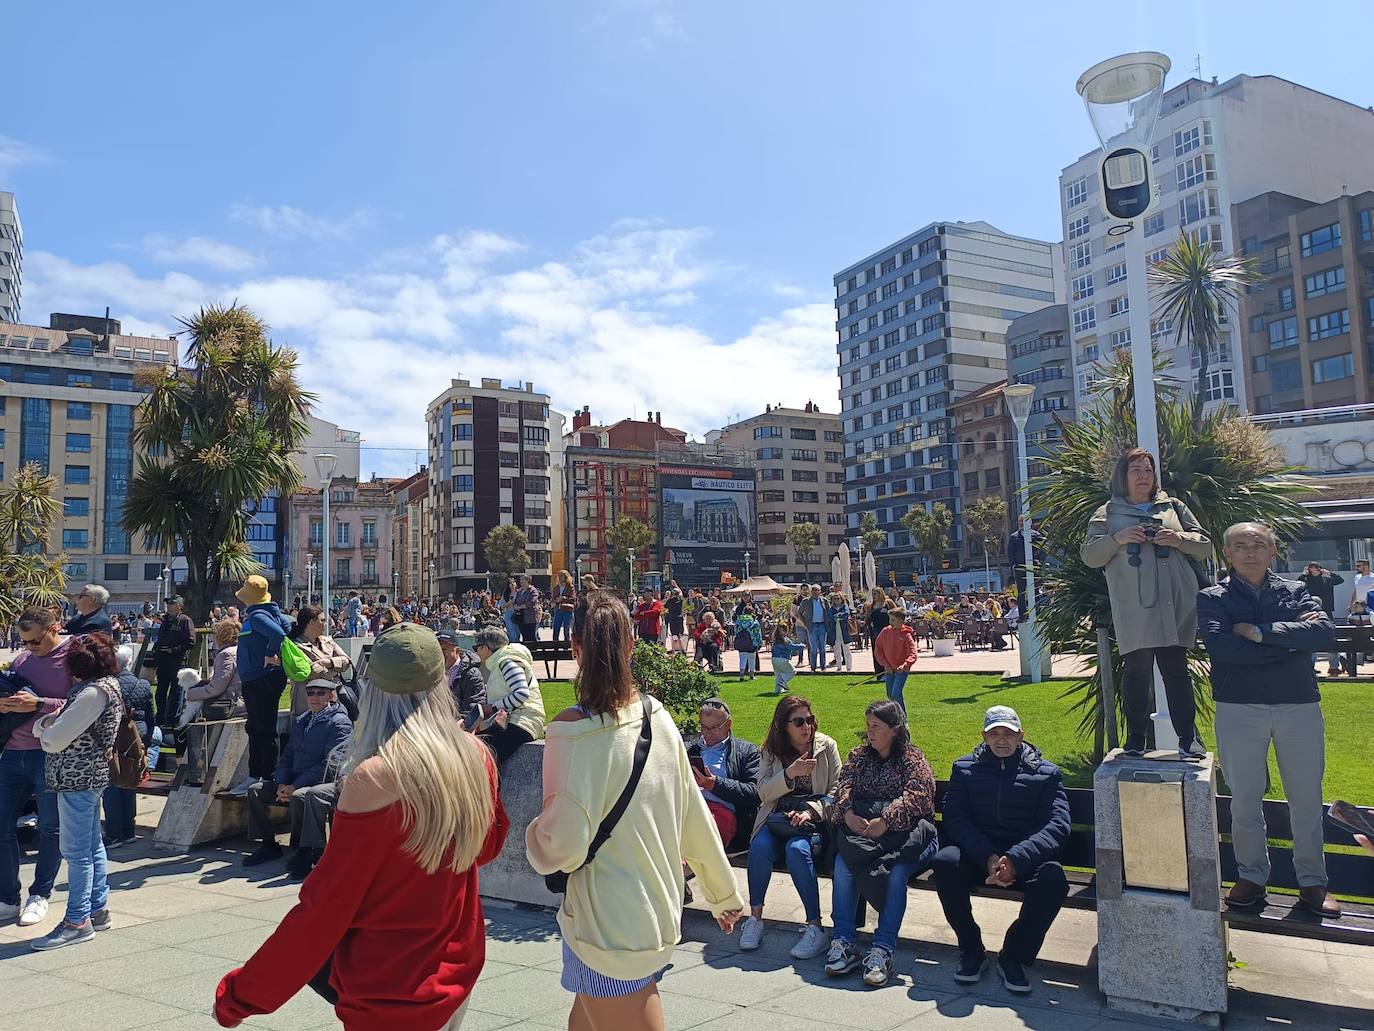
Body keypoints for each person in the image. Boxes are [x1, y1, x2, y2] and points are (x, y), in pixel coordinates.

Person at [215, 622, 508, 1029]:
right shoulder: (474, 754)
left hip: (389, 988)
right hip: (456, 965)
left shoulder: (372, 779)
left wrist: (240, 996)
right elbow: (487, 847)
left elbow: (326, 910)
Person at [526, 591, 743, 1031]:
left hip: (606, 924)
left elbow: (563, 846)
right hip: (656, 907)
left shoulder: (570, 732)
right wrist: (723, 893)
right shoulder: (657, 716)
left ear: (576, 648)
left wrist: (534, 837)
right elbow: (692, 814)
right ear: (631, 643)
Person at [1197, 522, 1340, 918]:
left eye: (1258, 544)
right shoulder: (1213, 598)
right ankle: (1252, 876)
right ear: (1227, 554)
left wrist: (1261, 633)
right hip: (1239, 708)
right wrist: (1289, 644)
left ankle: (1312, 881)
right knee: (1244, 799)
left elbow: (1323, 633)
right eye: (1240, 545)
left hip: (1298, 706)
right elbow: (1223, 649)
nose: (1250, 552)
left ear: (1272, 551)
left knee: (1306, 798)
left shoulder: (1295, 591)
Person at [1080, 448, 1211, 757]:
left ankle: (1187, 739)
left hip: (1174, 603)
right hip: (1134, 605)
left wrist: (1178, 540)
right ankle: (1136, 739)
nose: (1143, 476)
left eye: (1148, 471)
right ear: (1122, 477)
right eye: (1135, 470)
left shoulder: (1174, 506)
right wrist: (1119, 538)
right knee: (1136, 671)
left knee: (1176, 670)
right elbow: (1090, 555)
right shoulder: (1109, 512)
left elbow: (1205, 546)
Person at [932, 705, 1070, 994]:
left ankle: (1014, 956)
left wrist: (1016, 860)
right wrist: (988, 858)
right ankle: (972, 949)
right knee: (945, 862)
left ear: (1021, 736)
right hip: (979, 857)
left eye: (1008, 733)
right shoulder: (964, 769)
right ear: (984, 736)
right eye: (994, 733)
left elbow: (1057, 825)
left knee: (1053, 879)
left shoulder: (1045, 774)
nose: (1001, 740)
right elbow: (956, 817)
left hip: (1026, 858)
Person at [824, 700, 938, 988]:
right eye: (868, 726)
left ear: (895, 730)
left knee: (898, 872)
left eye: (877, 727)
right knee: (843, 862)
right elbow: (843, 787)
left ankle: (883, 949)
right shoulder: (859, 757)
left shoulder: (913, 759)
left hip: (909, 840)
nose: (870, 733)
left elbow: (918, 797)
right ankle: (844, 942)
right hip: (864, 838)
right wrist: (848, 813)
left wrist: (885, 821)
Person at [29, 634, 124, 950]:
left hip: (76, 779)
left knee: (76, 851)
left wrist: (45, 732)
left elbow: (52, 737)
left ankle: (76, 921)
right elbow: (47, 728)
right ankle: (97, 910)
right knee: (92, 844)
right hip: (87, 778)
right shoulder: (103, 688)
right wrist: (46, 729)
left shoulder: (91, 693)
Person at [738, 695, 843, 960]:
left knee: (797, 850)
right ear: (783, 726)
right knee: (760, 848)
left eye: (810, 720)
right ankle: (755, 919)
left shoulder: (826, 746)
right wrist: (789, 774)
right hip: (777, 820)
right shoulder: (771, 751)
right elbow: (762, 792)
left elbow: (838, 792)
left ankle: (815, 927)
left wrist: (811, 812)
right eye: (798, 722)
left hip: (813, 826)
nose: (807, 727)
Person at [0, 607, 73, 929]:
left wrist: (40, 704)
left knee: (49, 828)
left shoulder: (75, 655)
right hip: (13, 753)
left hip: (49, 752)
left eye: (33, 641)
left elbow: (91, 701)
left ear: (54, 628)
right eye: (23, 641)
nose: (28, 647)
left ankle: (40, 894)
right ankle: (7, 897)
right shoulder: (21, 661)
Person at [243, 679, 354, 879]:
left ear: (331, 696)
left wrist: (296, 786)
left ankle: (309, 850)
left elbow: (330, 763)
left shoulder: (339, 723)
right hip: (293, 780)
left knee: (303, 795)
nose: (314, 697)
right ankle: (268, 844)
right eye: (311, 693)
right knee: (255, 790)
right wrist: (281, 784)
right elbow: (287, 755)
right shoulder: (302, 720)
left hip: (322, 781)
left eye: (321, 693)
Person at [229, 575, 294, 797]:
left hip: (260, 679)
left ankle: (265, 777)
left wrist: (268, 654)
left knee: (262, 729)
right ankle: (257, 775)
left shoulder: (257, 616)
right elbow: (285, 628)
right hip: (262, 678)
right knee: (258, 728)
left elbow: (278, 634)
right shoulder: (270, 613)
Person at [685, 699, 760, 853]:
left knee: (699, 831)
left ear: (729, 724)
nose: (708, 734)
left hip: (723, 813)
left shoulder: (747, 751)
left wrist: (715, 784)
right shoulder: (688, 750)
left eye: (714, 728)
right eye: (704, 728)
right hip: (689, 809)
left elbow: (756, 793)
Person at [104, 645, 155, 849]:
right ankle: (129, 830)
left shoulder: (109, 685)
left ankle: (114, 833)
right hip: (137, 736)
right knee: (130, 782)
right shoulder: (142, 684)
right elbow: (151, 716)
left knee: (113, 783)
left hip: (116, 736)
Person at [472, 624, 545, 764]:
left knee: (486, 759)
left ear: (485, 648)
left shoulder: (507, 662)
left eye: (476, 648)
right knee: (476, 747)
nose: (476, 653)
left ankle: (489, 785)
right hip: (513, 721)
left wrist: (492, 707)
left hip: (524, 722)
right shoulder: (502, 662)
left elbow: (522, 693)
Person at [288, 604, 351, 717]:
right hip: (308, 705)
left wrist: (326, 663)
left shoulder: (327, 641)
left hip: (334, 702)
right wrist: (336, 668)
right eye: (322, 620)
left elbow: (346, 661)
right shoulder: (295, 646)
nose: (326, 624)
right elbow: (312, 672)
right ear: (311, 623)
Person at [179, 618, 242, 729]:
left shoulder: (226, 655)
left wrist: (191, 693)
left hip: (228, 706)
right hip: (239, 702)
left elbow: (216, 688)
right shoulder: (239, 650)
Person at [153, 595, 195, 729]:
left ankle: (172, 720)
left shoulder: (185, 621)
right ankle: (160, 718)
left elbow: (190, 642)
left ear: (179, 606)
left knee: (176, 693)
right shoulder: (165, 620)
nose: (169, 605)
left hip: (177, 662)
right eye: (168, 603)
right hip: (163, 661)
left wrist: (174, 650)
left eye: (172, 603)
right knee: (160, 692)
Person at [1298, 562, 1346, 676]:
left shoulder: (1326, 578)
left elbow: (1340, 580)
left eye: (1319, 567)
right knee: (1311, 638)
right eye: (1315, 568)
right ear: (1310, 569)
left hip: (1326, 610)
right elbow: (1297, 584)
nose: (1318, 569)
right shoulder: (1306, 579)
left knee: (1330, 638)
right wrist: (1304, 574)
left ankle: (1334, 666)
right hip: (1311, 611)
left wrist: (1330, 573)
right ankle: (1311, 666)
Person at [874, 609, 918, 712]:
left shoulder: (906, 635)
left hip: (901, 670)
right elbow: (878, 649)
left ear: (901, 621)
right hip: (889, 670)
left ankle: (903, 719)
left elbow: (913, 653)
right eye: (890, 620)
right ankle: (895, 716)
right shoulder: (885, 632)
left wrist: (905, 665)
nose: (890, 623)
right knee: (890, 694)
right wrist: (885, 664)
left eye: (893, 620)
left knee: (896, 693)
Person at [436, 629, 486, 719]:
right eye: (436, 650)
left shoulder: (471, 674)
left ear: (457, 651)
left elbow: (472, 710)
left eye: (444, 649)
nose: (439, 654)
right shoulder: (431, 672)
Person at [826, 588, 855, 673]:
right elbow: (830, 617)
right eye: (835, 599)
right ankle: (839, 667)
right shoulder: (831, 608)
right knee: (837, 650)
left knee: (847, 650)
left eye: (838, 598)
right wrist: (838, 616)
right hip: (835, 632)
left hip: (844, 631)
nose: (836, 600)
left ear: (841, 599)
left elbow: (846, 614)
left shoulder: (845, 606)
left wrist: (838, 615)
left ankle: (849, 667)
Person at [802, 584, 830, 672]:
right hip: (812, 626)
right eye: (813, 590)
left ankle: (823, 667)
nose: (815, 592)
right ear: (811, 591)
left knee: (822, 648)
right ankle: (813, 667)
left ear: (820, 591)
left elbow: (828, 613)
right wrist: (805, 623)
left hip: (822, 625)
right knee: (813, 648)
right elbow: (799, 613)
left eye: (817, 590)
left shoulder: (824, 601)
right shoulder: (806, 601)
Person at [732, 603, 763, 680]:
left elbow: (736, 632)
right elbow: (757, 633)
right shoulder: (754, 622)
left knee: (742, 658)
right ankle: (752, 675)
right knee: (752, 659)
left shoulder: (739, 621)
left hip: (741, 643)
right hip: (752, 643)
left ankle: (741, 675)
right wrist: (759, 642)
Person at [867, 587, 891, 677]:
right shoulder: (871, 606)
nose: (873, 596)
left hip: (887, 632)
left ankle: (889, 672)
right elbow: (868, 619)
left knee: (887, 653)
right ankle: (879, 674)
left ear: (881, 594)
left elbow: (896, 613)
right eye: (872, 594)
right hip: (875, 632)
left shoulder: (888, 603)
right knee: (877, 653)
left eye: (875, 594)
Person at [770, 624, 799, 695]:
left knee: (778, 674)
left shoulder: (775, 640)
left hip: (774, 659)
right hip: (783, 659)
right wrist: (802, 645)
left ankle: (778, 690)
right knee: (792, 671)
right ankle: (783, 682)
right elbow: (792, 647)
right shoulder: (786, 640)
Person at [550, 569, 577, 644]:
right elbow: (553, 598)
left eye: (562, 576)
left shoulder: (570, 587)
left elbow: (573, 599)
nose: (560, 578)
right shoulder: (556, 588)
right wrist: (554, 602)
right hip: (558, 610)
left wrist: (563, 598)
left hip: (567, 610)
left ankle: (567, 646)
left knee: (566, 629)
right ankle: (555, 646)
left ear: (566, 577)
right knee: (556, 628)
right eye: (559, 576)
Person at [513, 575, 541, 644]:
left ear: (527, 580)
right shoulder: (519, 591)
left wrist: (523, 606)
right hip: (521, 617)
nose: (521, 581)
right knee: (524, 636)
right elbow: (515, 601)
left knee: (531, 636)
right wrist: (516, 606)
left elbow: (533, 601)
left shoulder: (533, 590)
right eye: (520, 580)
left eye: (523, 579)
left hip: (530, 617)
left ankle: (534, 652)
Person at [664, 586, 686, 653]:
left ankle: (681, 649)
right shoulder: (681, 599)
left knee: (675, 634)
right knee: (677, 634)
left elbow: (665, 606)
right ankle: (674, 649)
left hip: (673, 618)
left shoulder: (671, 600)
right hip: (680, 618)